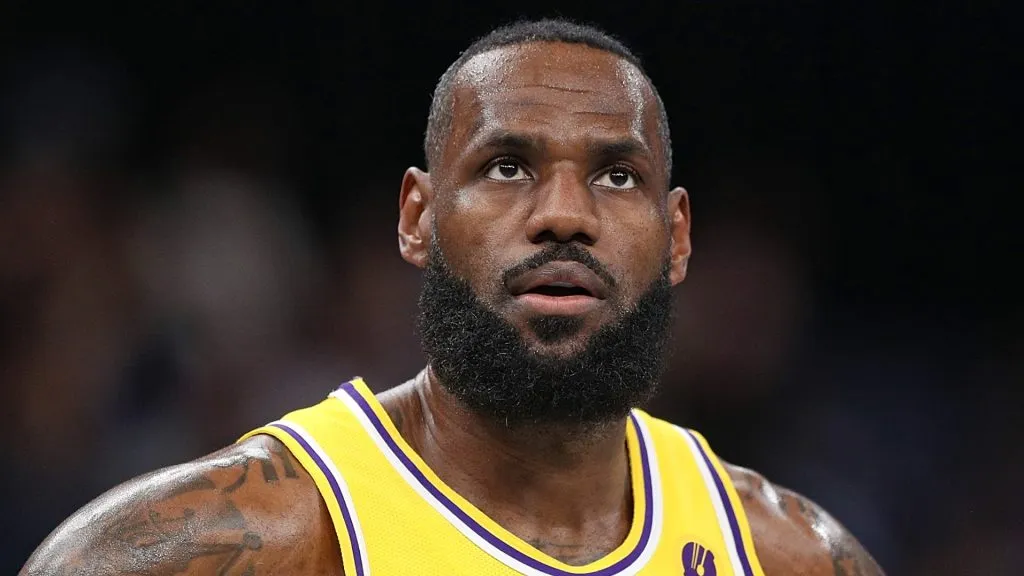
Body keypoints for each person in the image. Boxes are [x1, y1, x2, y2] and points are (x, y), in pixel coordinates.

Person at [21, 20, 885, 575]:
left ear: (679, 238)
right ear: (417, 217)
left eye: (617, 176)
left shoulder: (790, 556)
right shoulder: (233, 543)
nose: (563, 216)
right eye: (507, 167)